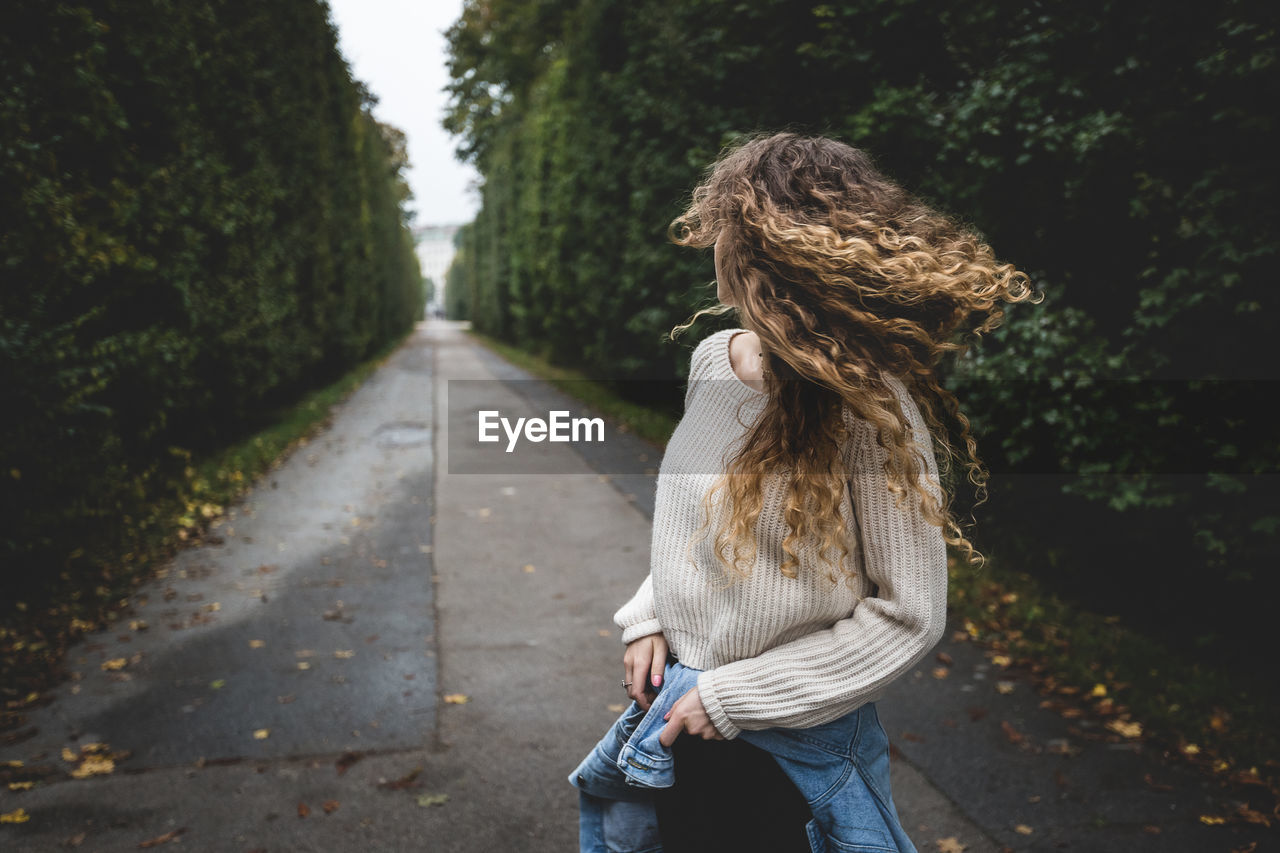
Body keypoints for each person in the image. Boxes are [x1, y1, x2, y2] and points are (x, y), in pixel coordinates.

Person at [584, 132, 1038, 852]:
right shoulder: (712, 360)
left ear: (760, 254)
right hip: (679, 717)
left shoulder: (868, 405)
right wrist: (648, 615)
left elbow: (909, 614)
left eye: (725, 231)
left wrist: (733, 698)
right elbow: (699, 531)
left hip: (796, 749)